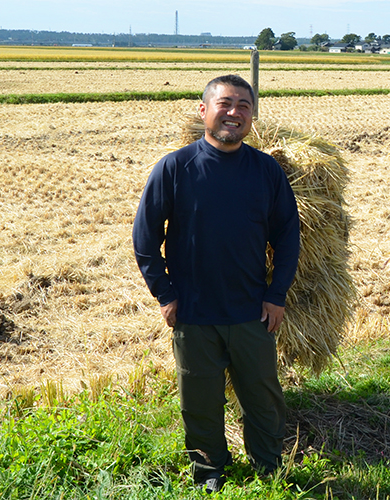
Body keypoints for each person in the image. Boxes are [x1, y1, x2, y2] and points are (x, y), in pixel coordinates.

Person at [132, 74, 300, 493]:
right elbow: (145, 236)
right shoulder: (175, 167)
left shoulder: (266, 171)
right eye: (225, 103)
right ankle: (209, 471)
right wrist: (165, 295)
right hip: (194, 314)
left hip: (252, 313)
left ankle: (268, 469)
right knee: (200, 403)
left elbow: (287, 236)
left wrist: (276, 295)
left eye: (244, 105)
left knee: (264, 399)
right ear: (203, 110)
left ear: (252, 116)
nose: (234, 112)